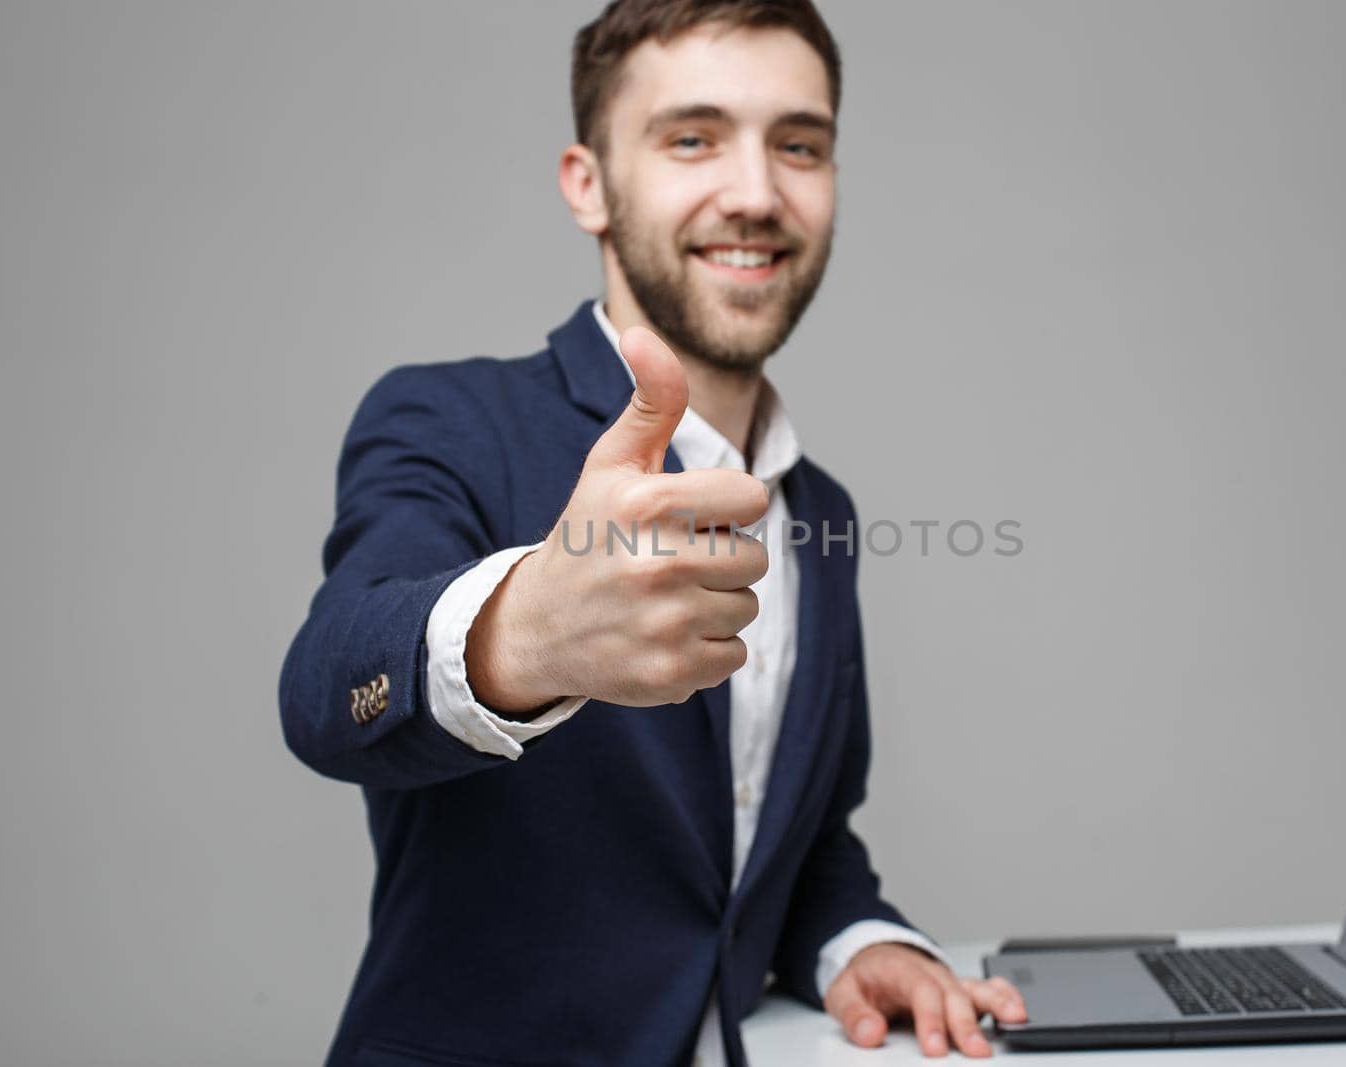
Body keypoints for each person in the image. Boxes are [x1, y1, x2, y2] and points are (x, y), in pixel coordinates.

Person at [279, 1, 1026, 1063]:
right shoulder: (446, 418)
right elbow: (325, 689)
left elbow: (782, 843)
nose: (758, 193)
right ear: (588, 183)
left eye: (799, 146)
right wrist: (520, 633)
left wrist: (854, 938)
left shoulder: (822, 512)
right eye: (692, 138)